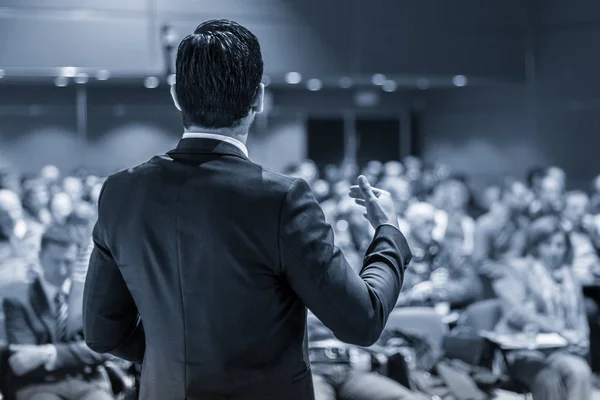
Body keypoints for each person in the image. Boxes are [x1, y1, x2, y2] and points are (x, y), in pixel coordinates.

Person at [82, 19, 412, 400]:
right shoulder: (281, 199)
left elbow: (103, 332)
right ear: (258, 98)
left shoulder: (120, 192)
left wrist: (176, 362)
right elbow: (363, 321)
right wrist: (389, 233)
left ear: (175, 95)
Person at [3, 225, 114, 400]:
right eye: (56, 261)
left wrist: (48, 352)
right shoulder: (17, 299)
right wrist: (79, 352)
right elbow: (22, 360)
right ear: (40, 256)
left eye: (68, 262)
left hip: (87, 382)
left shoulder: (89, 296)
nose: (62, 270)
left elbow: (104, 349)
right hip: (38, 385)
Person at [492, 216, 592, 400]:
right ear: (535, 245)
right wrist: (559, 329)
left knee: (580, 371)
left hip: (561, 350)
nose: (555, 251)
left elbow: (579, 315)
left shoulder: (570, 276)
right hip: (524, 350)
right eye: (548, 244)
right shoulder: (518, 269)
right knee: (548, 379)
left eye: (560, 245)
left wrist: (581, 337)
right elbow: (515, 313)